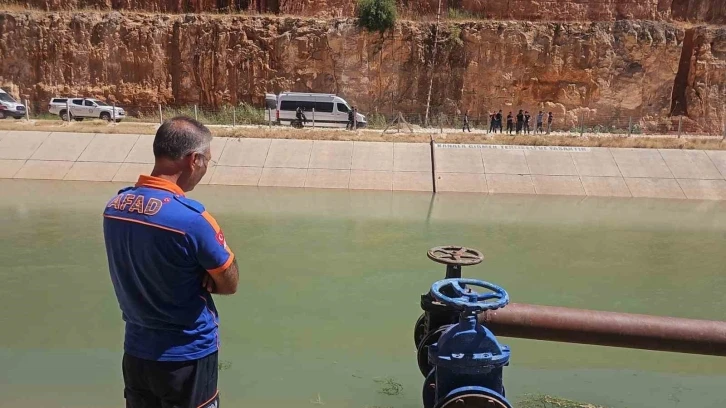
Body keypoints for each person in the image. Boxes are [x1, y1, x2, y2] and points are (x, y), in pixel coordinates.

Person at [103, 116, 239, 408]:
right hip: (187, 355)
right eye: (207, 161)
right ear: (193, 160)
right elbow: (229, 283)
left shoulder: (115, 208)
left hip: (137, 351)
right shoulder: (192, 220)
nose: (205, 170)